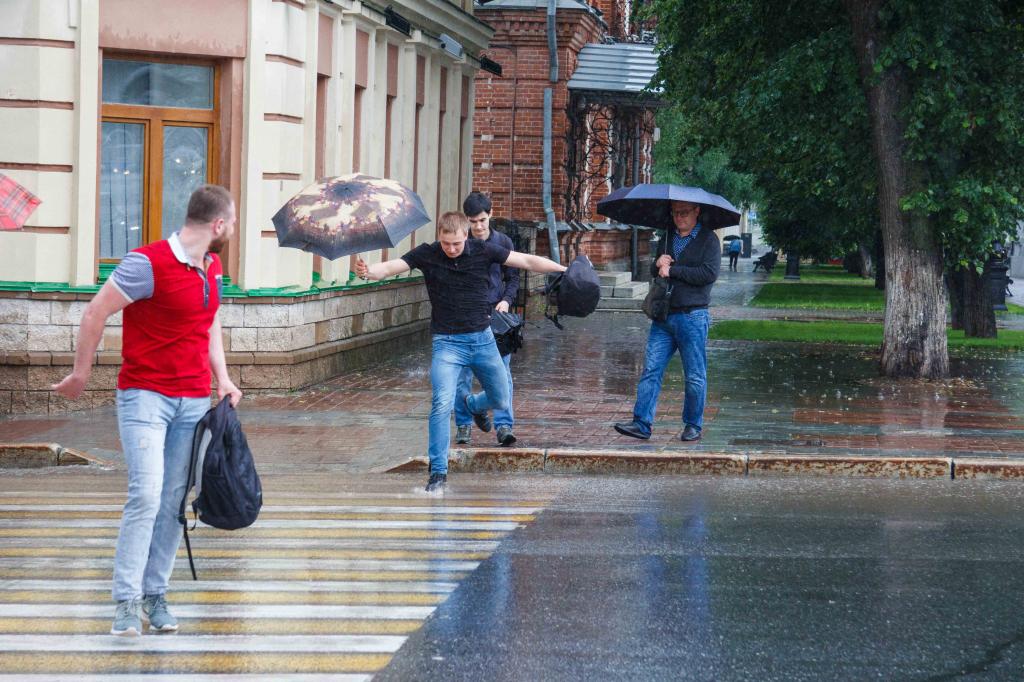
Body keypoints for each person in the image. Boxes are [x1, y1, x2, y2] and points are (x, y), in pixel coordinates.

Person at [52, 185, 242, 637]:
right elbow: (95, 313)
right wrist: (81, 374)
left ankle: (156, 594)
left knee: (174, 500)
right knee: (146, 494)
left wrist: (224, 378)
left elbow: (209, 322)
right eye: (232, 222)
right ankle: (126, 601)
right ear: (218, 225)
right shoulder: (147, 263)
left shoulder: (210, 268)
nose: (232, 229)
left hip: (194, 400)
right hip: (145, 397)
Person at [356, 212, 566, 492]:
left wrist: (564, 270)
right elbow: (392, 266)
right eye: (446, 243)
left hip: (483, 340)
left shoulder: (484, 249)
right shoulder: (427, 254)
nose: (451, 249)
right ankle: (438, 471)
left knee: (501, 399)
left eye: (456, 243)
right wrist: (369, 271)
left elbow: (526, 260)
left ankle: (471, 405)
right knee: (441, 403)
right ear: (439, 237)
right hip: (447, 344)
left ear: (466, 236)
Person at [614, 200, 720, 442]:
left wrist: (673, 270)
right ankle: (642, 423)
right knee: (651, 369)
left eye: (684, 213)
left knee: (694, 374)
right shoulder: (667, 236)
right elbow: (657, 270)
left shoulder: (708, 240)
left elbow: (708, 273)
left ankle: (693, 424)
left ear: (697, 212)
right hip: (664, 314)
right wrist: (658, 264)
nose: (679, 218)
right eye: (675, 213)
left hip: (692, 316)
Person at [454, 192, 520, 446]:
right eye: (473, 222)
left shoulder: (503, 242)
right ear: (466, 221)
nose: (479, 226)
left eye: (482, 220)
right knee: (463, 373)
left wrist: (506, 300)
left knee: (502, 373)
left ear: (490, 215)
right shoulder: (459, 244)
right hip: (466, 315)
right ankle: (463, 425)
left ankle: (504, 426)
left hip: (497, 316)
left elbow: (513, 278)